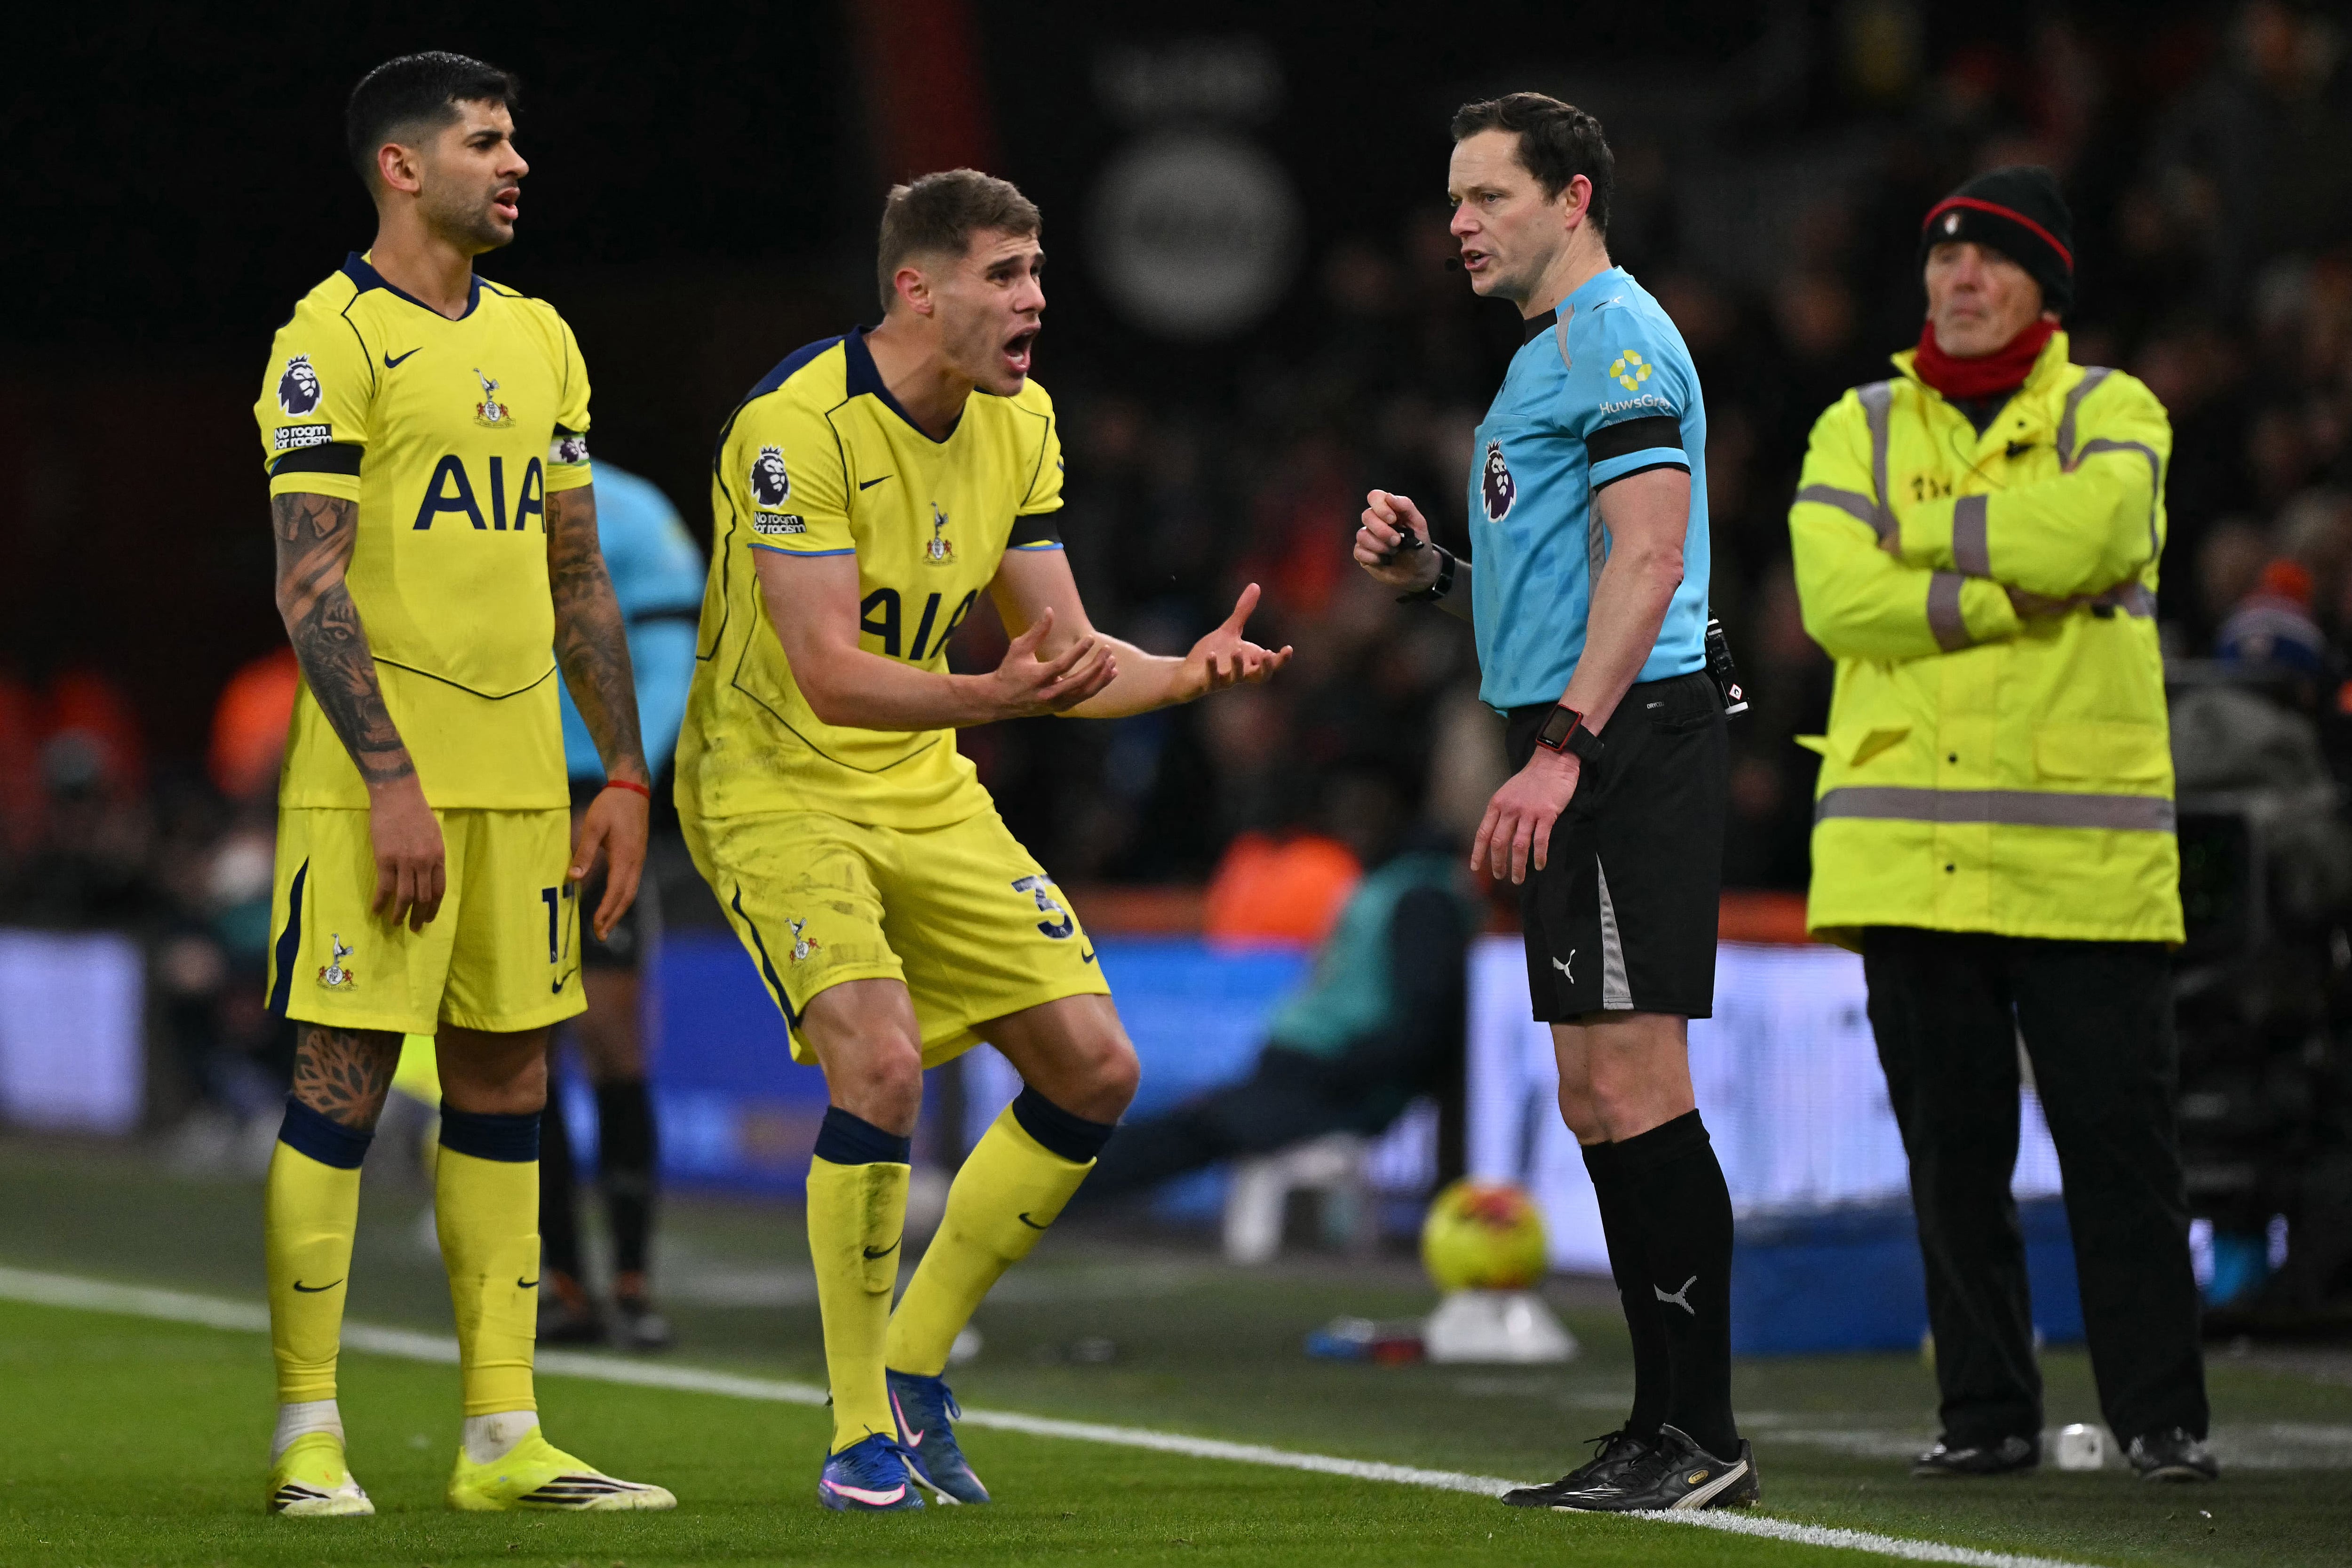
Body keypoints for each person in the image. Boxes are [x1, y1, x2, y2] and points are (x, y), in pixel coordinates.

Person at [673, 168, 1290, 1512]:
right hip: (773, 782)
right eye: (1005, 275)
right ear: (917, 289)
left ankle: (915, 1362)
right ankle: (856, 1431)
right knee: (882, 1063)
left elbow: (1061, 656)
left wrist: (1184, 674)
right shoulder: (795, 427)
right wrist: (997, 696)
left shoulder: (1024, 421)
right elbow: (830, 674)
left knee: (1096, 1068)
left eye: (1038, 271)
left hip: (924, 777)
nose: (1036, 301)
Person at [251, 52, 673, 1516]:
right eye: (486, 142)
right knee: (344, 1083)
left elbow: (576, 571)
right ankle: (309, 1434)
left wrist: (622, 773)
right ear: (402, 165)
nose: (516, 164)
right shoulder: (329, 337)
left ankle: (504, 1435)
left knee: (509, 1080)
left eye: (515, 141)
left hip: (526, 790)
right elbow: (311, 583)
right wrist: (390, 782)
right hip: (375, 789)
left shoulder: (542, 338)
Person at [1788, 166, 2215, 1482]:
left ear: (2047, 286)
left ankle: (2161, 1420)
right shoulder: (1855, 422)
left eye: (1990, 259)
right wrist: (2001, 591)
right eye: (1942, 258)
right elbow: (1832, 599)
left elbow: (2098, 535)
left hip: (2081, 862)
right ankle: (1983, 1417)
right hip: (1910, 863)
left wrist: (1921, 536)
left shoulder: (2113, 407)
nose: (1959, 279)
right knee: (1952, 1163)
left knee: (2121, 1156)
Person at [1355, 93, 1749, 1512]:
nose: (1459, 225)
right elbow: (1562, 589)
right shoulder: (1545, 357)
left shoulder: (1619, 338)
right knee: (1592, 1097)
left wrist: (1566, 748)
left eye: (1489, 197)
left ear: (1572, 198)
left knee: (1637, 1083)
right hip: (1581, 732)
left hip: (1627, 739)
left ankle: (1700, 1434)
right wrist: (1435, 580)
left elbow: (1649, 563)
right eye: (1454, 201)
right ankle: (1656, 1426)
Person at [1078, 806, 1476, 1205]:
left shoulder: (1388, 891)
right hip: (1332, 1069)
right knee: (1198, 1127)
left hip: (1323, 1065)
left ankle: (1074, 1181)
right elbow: (1423, 1019)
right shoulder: (1424, 897)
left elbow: (1418, 1021)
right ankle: (1075, 1181)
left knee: (1197, 1128)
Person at [537, 462, 706, 1350]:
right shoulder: (457, 487)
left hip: (590, 794)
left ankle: (633, 1281)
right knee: (517, 1051)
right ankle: (563, 1281)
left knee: (611, 1037)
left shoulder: (633, 511)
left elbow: (676, 663)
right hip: (493, 798)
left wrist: (621, 778)